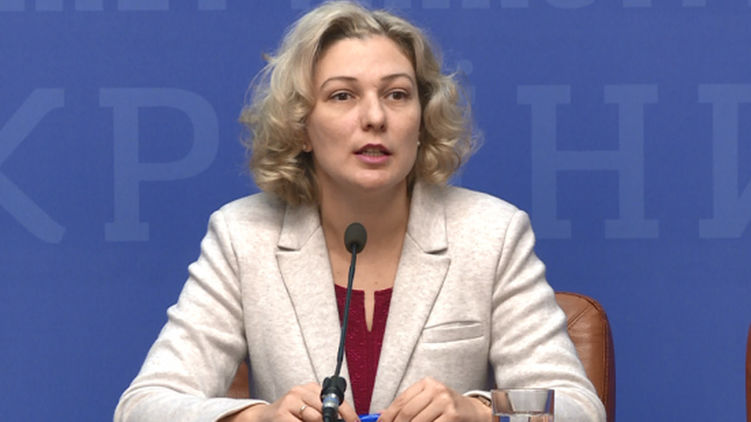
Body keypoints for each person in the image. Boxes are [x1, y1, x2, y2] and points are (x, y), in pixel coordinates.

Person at [114, 1, 606, 421]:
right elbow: (142, 406)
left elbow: (578, 408)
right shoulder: (243, 236)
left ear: (421, 121)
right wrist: (257, 417)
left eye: (397, 94)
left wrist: (479, 411)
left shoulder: (491, 234)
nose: (374, 117)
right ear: (301, 127)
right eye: (342, 95)